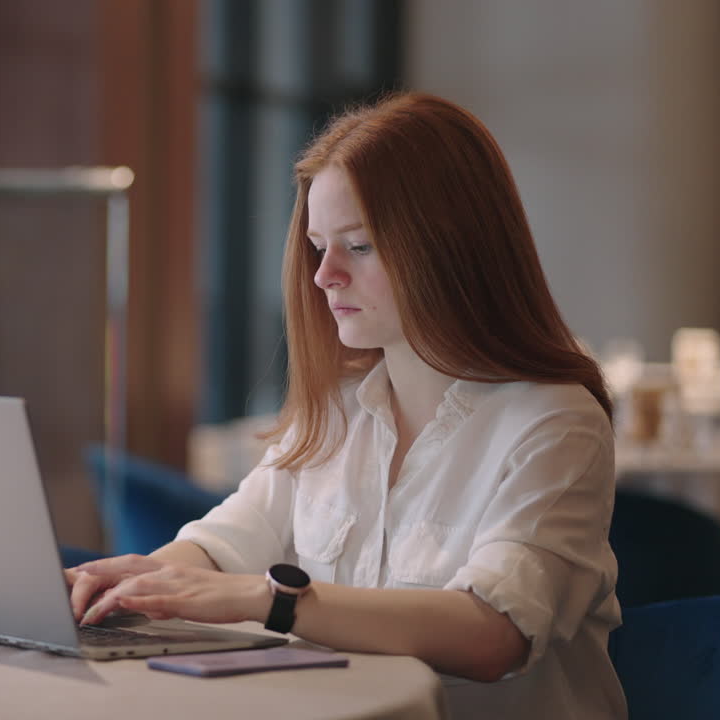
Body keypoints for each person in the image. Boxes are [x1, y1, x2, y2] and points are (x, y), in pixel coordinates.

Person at [66, 92, 626, 719]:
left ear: (450, 248)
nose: (323, 275)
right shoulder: (334, 410)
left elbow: (494, 633)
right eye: (318, 245)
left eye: (357, 246)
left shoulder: (554, 424)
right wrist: (135, 586)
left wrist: (271, 600)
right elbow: (227, 542)